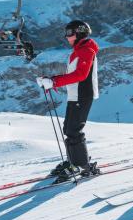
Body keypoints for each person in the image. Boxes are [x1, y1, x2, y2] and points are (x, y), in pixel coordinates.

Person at [36, 20, 100, 182]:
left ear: (80, 33)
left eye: (70, 33)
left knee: (74, 130)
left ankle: (82, 165)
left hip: (83, 95)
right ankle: (74, 162)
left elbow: (81, 75)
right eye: (66, 33)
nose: (67, 37)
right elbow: (73, 75)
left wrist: (54, 82)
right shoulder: (79, 50)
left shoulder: (87, 50)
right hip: (75, 95)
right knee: (69, 129)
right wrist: (51, 79)